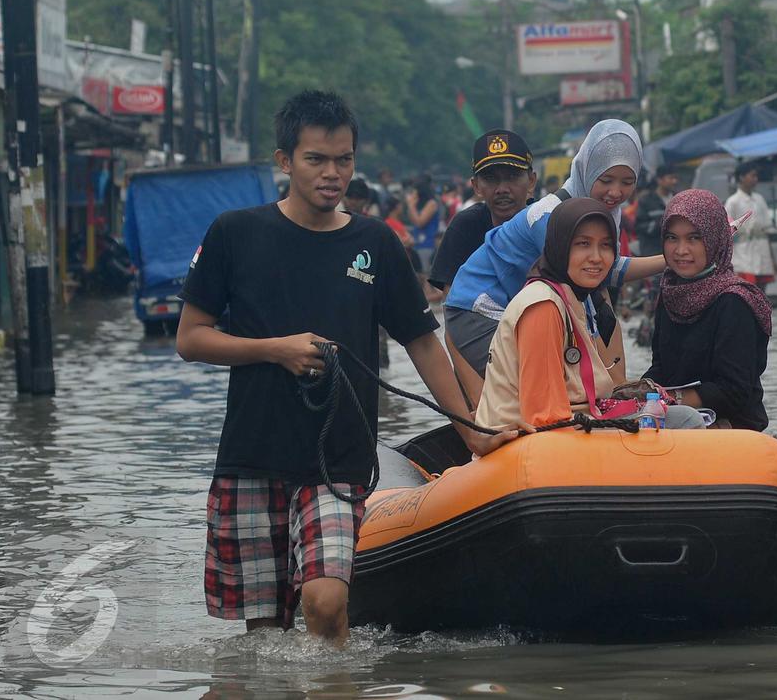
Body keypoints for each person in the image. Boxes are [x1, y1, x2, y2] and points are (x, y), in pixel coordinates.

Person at [175, 90, 515, 646]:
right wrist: (276, 349)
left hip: (337, 460)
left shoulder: (376, 242)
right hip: (252, 455)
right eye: (316, 159)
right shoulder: (234, 233)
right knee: (265, 634)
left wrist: (472, 433)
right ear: (284, 161)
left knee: (326, 602)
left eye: (344, 160)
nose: (332, 174)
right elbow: (191, 339)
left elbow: (422, 344)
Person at [444, 119, 665, 389]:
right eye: (605, 180)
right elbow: (586, 296)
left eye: (627, 182)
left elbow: (611, 273)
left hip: (512, 310)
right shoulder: (552, 216)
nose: (616, 192)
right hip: (479, 310)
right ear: (586, 171)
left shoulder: (599, 215)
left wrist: (670, 260)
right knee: (535, 386)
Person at [477, 197, 704, 431]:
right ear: (560, 246)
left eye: (605, 245)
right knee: (688, 421)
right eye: (583, 244)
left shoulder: (571, 297)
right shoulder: (542, 306)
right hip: (533, 443)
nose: (596, 257)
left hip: (576, 423)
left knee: (683, 417)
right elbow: (545, 418)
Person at [643, 189, 772, 430]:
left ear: (714, 239)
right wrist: (639, 393)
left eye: (693, 238)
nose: (681, 250)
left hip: (731, 428)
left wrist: (672, 400)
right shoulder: (670, 291)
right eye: (672, 238)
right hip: (673, 421)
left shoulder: (734, 302)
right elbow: (661, 366)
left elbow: (734, 391)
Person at [429, 129, 538, 298]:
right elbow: (453, 303)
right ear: (476, 186)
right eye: (491, 179)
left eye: (512, 177)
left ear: (531, 181)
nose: (502, 189)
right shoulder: (465, 227)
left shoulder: (546, 223)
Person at [724, 162, 776, 289]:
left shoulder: (759, 199)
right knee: (746, 287)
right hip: (742, 251)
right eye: (752, 176)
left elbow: (766, 229)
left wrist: (773, 257)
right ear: (741, 177)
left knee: (762, 286)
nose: (755, 179)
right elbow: (727, 232)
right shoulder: (733, 202)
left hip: (761, 248)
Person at [634, 165, 678, 257]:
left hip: (675, 253)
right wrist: (662, 222)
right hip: (653, 254)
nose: (674, 181)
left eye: (675, 178)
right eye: (670, 178)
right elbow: (640, 227)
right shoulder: (646, 201)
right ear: (659, 180)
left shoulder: (679, 198)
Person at [405, 173, 441, 269]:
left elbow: (420, 222)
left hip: (427, 245)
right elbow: (412, 219)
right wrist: (412, 205)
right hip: (417, 244)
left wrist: (411, 205)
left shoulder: (431, 203)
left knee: (425, 274)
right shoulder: (418, 205)